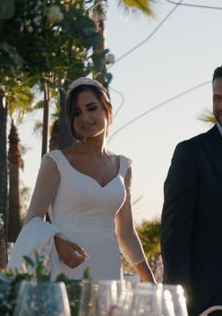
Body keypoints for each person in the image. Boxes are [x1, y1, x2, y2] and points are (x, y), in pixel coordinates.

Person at [9, 77, 155, 283]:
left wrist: (151, 283)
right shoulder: (56, 162)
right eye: (77, 113)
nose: (84, 117)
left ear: (107, 108)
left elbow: (126, 234)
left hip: (109, 270)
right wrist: (57, 241)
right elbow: (33, 219)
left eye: (91, 108)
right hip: (66, 265)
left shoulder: (124, 166)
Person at [162, 62, 222, 316]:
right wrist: (178, 304)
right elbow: (175, 233)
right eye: (217, 98)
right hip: (215, 292)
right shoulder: (192, 153)